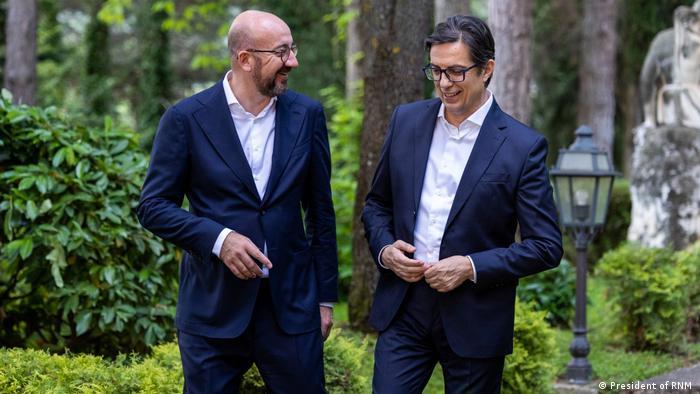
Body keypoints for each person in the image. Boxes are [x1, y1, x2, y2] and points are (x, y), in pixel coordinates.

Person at [137, 10, 338, 394]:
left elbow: (321, 212)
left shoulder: (308, 115)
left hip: (291, 308)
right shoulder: (185, 119)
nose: (293, 61)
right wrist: (220, 239)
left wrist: (325, 298)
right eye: (282, 52)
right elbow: (153, 206)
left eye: (292, 48)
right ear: (245, 59)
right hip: (212, 309)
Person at [362, 15, 563, 394]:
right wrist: (386, 250)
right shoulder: (405, 121)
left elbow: (546, 246)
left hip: (477, 317)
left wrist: (470, 266)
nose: (443, 84)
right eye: (435, 71)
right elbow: (376, 205)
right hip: (404, 308)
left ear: (487, 69)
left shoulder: (523, 146)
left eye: (456, 72)